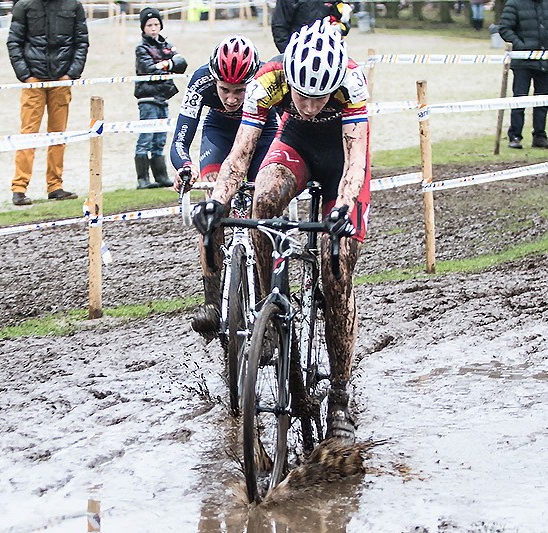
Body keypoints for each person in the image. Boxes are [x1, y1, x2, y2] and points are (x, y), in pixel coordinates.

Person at [192, 19, 370, 443]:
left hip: (340, 162)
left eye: (318, 97)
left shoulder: (352, 82)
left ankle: (341, 398)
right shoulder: (267, 80)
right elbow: (239, 158)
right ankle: (271, 304)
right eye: (302, 96)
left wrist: (343, 208)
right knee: (263, 201)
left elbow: (356, 163)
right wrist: (216, 202)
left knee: (338, 268)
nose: (309, 106)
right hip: (295, 145)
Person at [170, 35, 278, 335]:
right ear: (214, 79)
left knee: (263, 205)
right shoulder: (201, 80)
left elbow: (285, 132)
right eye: (225, 90)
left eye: (240, 91)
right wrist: (185, 166)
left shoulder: (267, 79)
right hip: (218, 133)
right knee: (213, 208)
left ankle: (267, 297)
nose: (231, 99)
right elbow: (180, 139)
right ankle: (212, 303)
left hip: (262, 130)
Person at [7, 0, 89, 205]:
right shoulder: (24, 5)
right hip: (33, 81)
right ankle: (19, 188)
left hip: (61, 80)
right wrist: (26, 76)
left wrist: (71, 74)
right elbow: (14, 42)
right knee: (28, 134)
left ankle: (55, 186)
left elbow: (81, 42)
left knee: (58, 134)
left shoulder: (73, 6)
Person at [133, 7, 188, 189]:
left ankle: (161, 176)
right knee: (146, 138)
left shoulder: (166, 45)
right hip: (147, 97)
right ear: (143, 28)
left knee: (160, 139)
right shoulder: (141, 48)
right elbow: (149, 68)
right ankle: (143, 179)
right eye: (149, 25)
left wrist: (166, 64)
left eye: (156, 24)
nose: (153, 28)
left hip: (163, 96)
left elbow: (181, 63)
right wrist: (168, 64)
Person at [499, 0, 548, 149]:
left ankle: (540, 136)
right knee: (519, 99)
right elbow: (505, 28)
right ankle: (515, 136)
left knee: (542, 101)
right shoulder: (515, 3)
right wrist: (521, 46)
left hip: (545, 58)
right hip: (522, 61)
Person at [271, 0, 352, 52]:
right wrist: (289, 55)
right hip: (299, 53)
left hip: (329, 53)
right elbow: (279, 26)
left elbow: (343, 22)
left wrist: (342, 25)